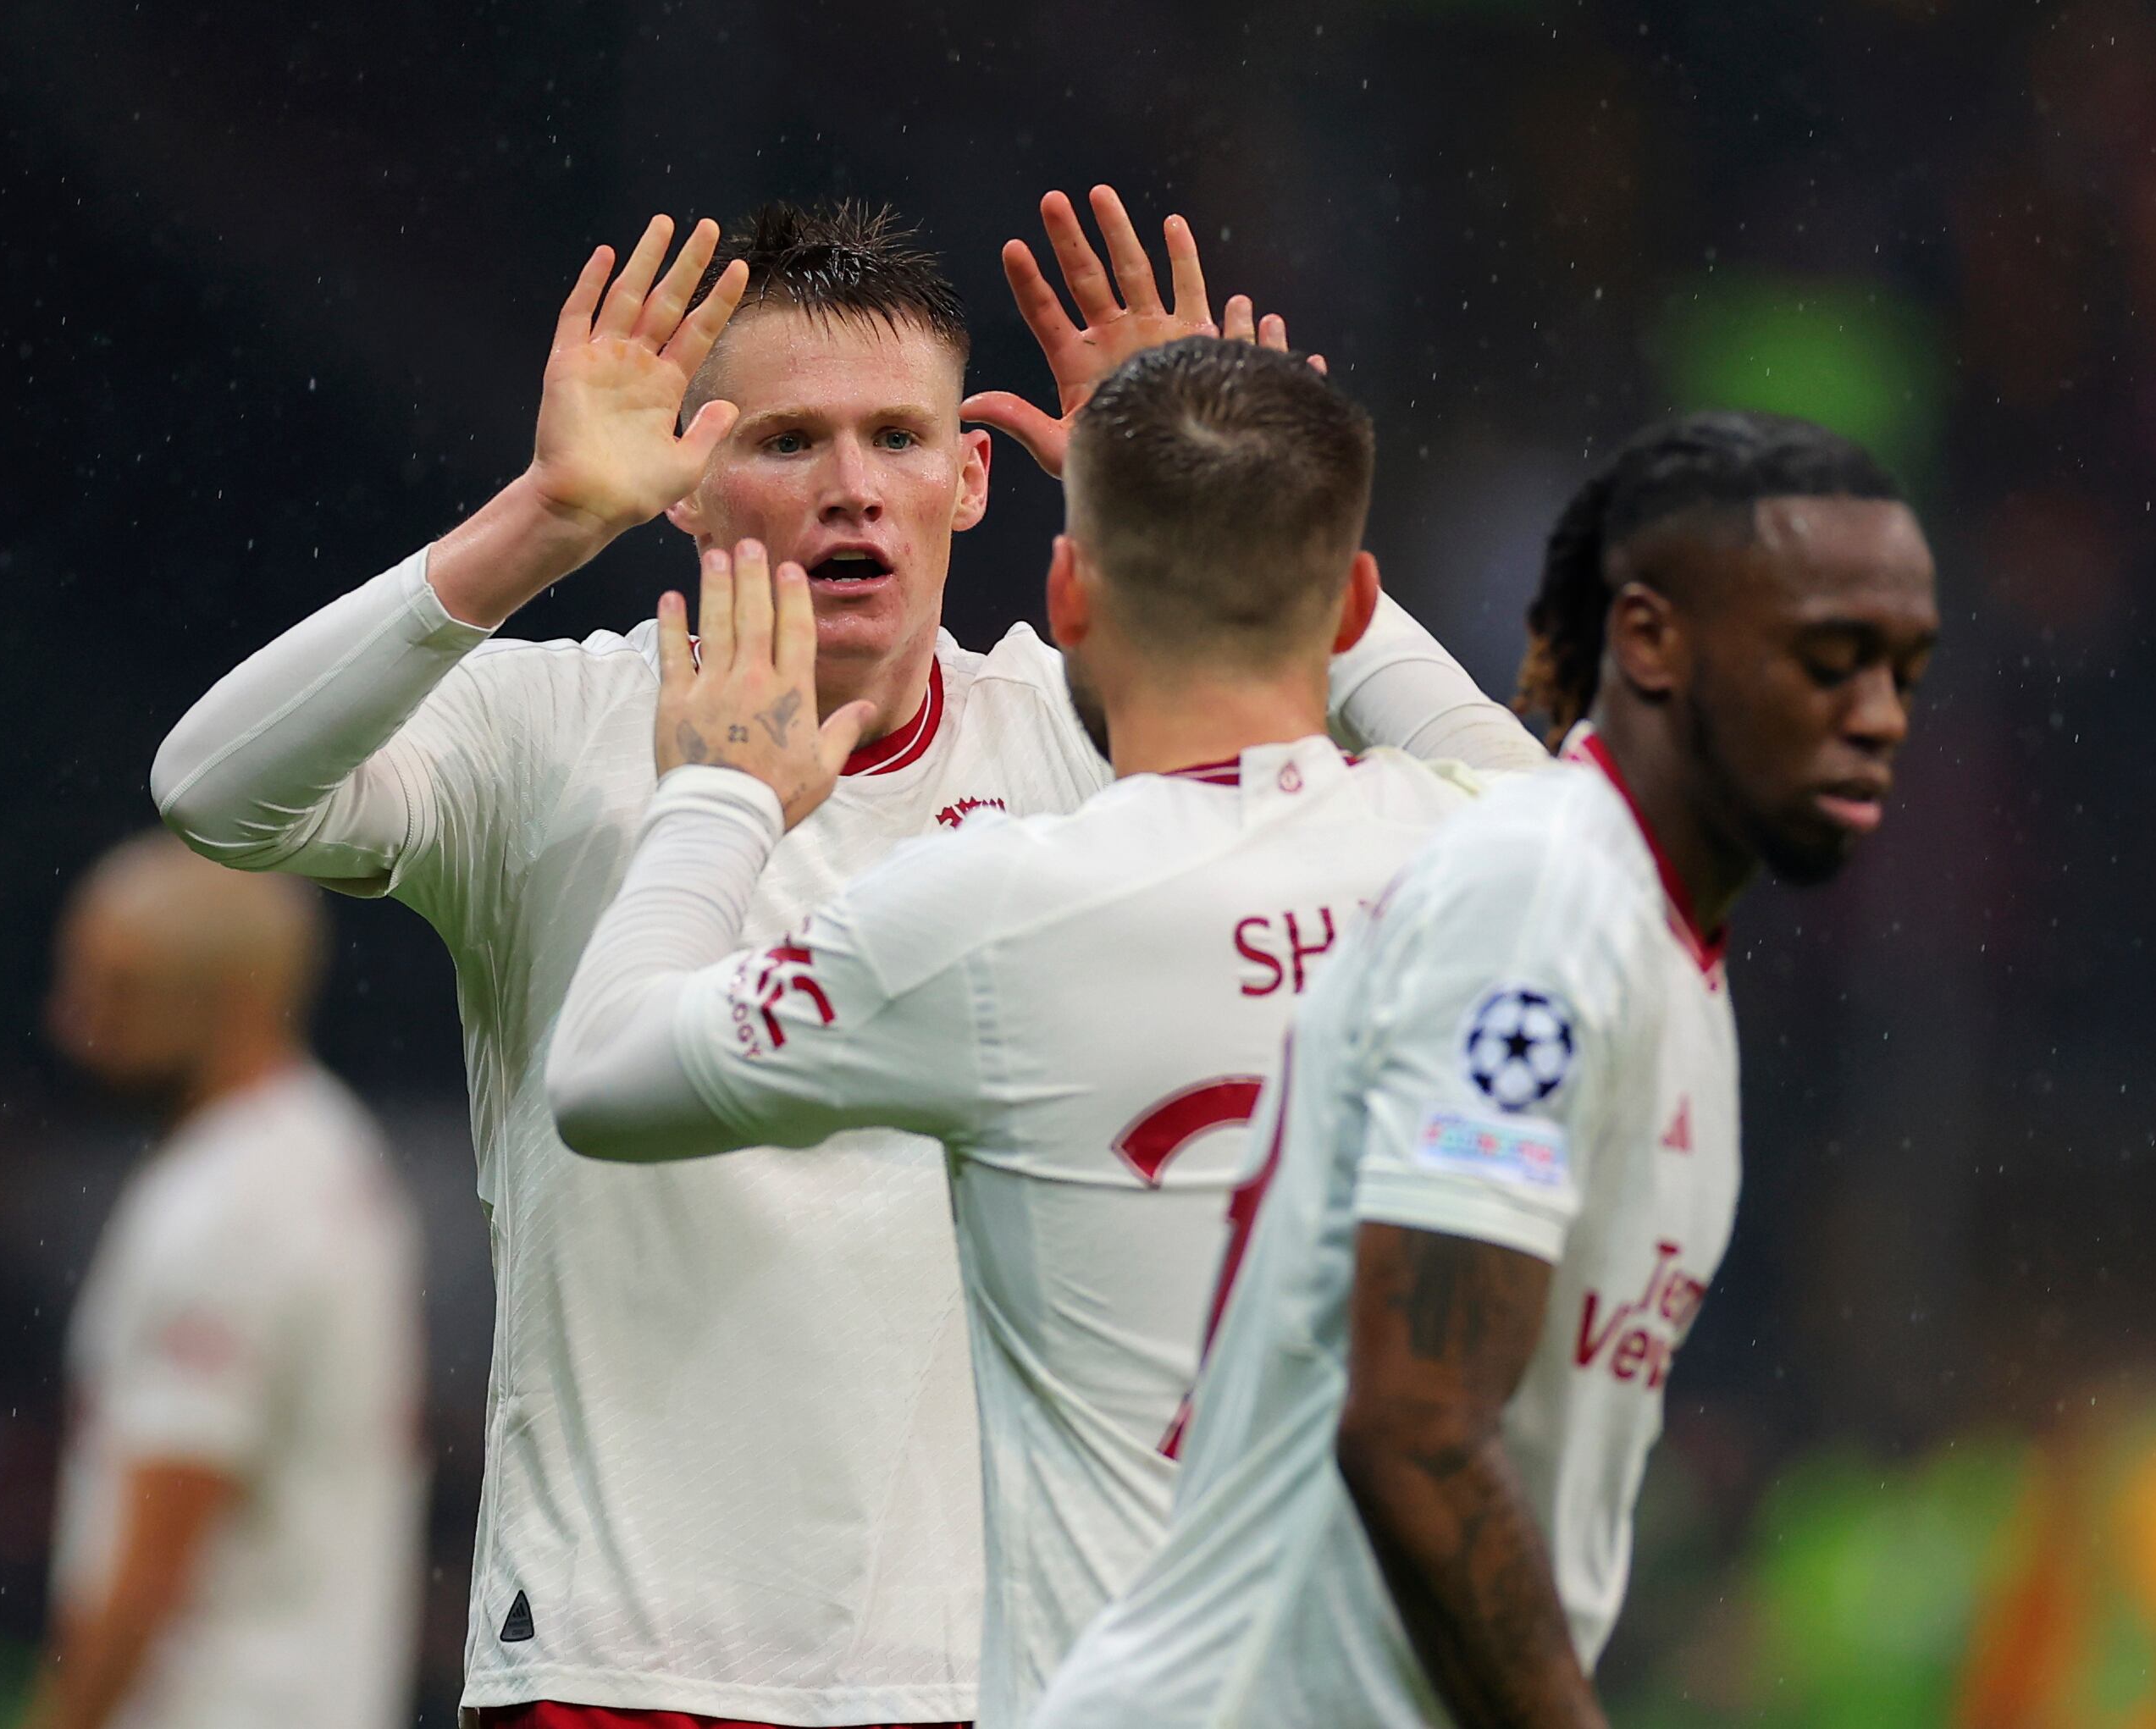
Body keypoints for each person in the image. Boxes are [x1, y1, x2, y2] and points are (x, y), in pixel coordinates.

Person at [149, 193, 1545, 1727]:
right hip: (619, 1661)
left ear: (969, 478)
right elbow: (214, 791)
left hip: (998, 1675)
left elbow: (1530, 837)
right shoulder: (549, 731)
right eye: (785, 441)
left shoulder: (1090, 742)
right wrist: (544, 513)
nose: (850, 490)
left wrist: (1224, 505)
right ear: (682, 476)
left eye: (895, 438)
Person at [543, 338, 1533, 1726]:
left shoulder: (991, 906)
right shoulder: (1499, 860)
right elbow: (1538, 790)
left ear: (1065, 594)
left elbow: (599, 1077)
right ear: (1355, 596)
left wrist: (716, 799)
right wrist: (1259, 502)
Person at [1031, 410, 1941, 1729]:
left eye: (1904, 671)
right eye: (1826, 659)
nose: (1876, 718)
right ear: (1648, 641)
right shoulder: (1544, 902)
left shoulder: (1646, 938)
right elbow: (1412, 1426)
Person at [27, 832, 423, 1729]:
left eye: (118, 990)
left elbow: (153, 1569)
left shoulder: (228, 1208)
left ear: (232, 1001)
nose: (73, 1021)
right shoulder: (328, 1143)